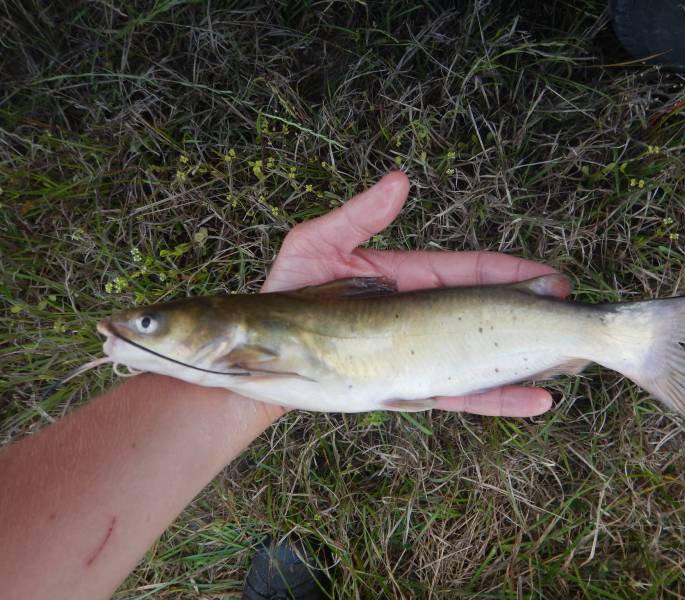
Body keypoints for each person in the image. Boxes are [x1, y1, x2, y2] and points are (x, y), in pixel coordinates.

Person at [0, 172, 569, 599]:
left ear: (218, 324)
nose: (129, 330)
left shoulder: (243, 345)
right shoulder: (235, 347)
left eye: (147, 323)